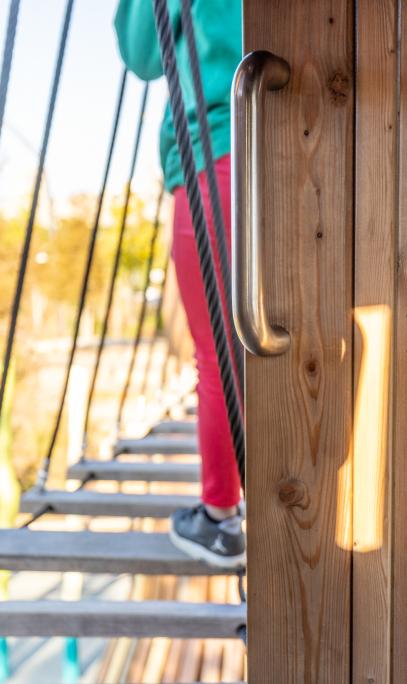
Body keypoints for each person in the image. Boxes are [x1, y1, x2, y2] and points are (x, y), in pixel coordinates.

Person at [114, 0, 245, 568]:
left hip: (216, 149)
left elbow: (143, 54)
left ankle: (221, 517)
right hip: (306, 140)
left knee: (219, 353)